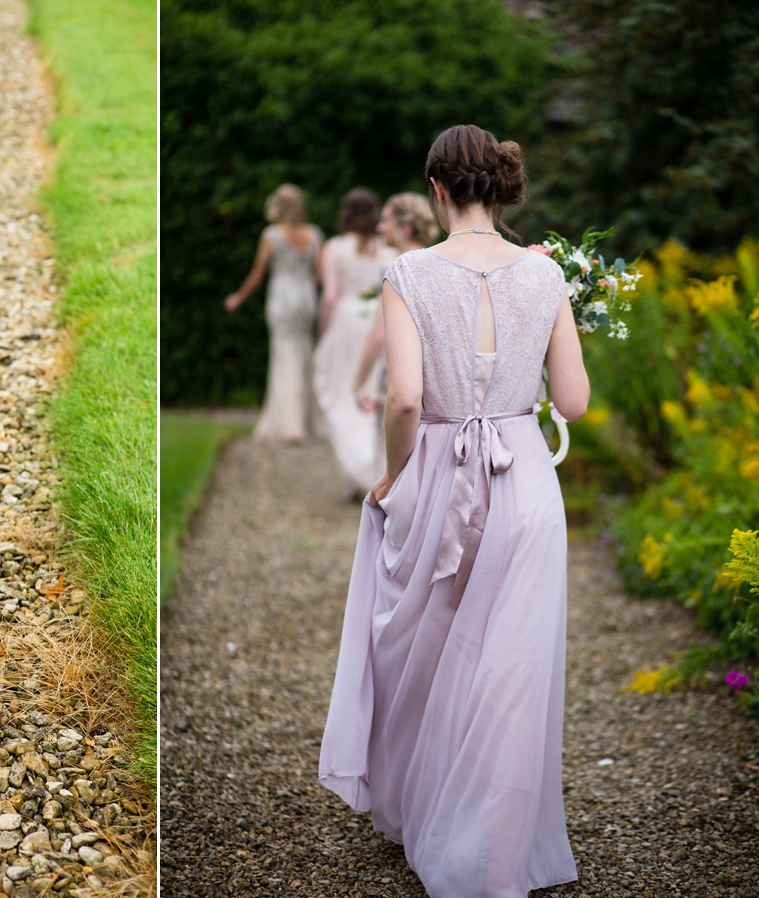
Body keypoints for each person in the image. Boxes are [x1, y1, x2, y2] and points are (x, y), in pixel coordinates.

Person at [318, 124, 589, 897]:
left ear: (436, 189)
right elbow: (572, 399)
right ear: (497, 187)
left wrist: (394, 478)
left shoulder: (410, 271)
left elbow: (405, 397)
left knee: (422, 647)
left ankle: (421, 810)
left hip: (440, 470)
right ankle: (492, 844)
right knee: (510, 665)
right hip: (525, 477)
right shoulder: (546, 275)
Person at [311, 189, 397, 498]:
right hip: (381, 321)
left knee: (341, 394)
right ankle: (371, 470)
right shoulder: (389, 250)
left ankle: (359, 469)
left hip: (346, 323)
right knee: (375, 394)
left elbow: (330, 296)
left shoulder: (334, 247)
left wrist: (323, 331)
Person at [225, 184, 322, 441]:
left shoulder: (272, 235)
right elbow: (320, 274)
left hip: (282, 296)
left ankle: (289, 424)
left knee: (284, 353)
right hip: (305, 297)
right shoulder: (314, 234)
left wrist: (238, 298)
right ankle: (306, 420)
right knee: (303, 353)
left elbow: (257, 275)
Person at [353, 193, 441, 414]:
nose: (380, 228)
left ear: (406, 227)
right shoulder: (439, 265)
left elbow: (378, 335)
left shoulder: (397, 270)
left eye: (386, 221)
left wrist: (358, 384)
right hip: (434, 382)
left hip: (400, 376)